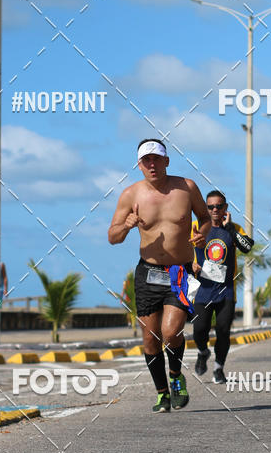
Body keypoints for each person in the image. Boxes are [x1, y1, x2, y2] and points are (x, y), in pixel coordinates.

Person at [108, 139, 210, 413]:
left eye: (156, 159)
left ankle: (176, 376)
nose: (151, 165)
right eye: (146, 160)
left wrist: (203, 234)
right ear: (139, 165)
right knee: (151, 338)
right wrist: (127, 226)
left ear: (166, 161)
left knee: (170, 331)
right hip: (148, 272)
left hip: (180, 272)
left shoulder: (186, 188)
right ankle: (162, 393)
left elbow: (205, 217)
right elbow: (112, 237)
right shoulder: (131, 195)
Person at [191, 190, 254, 384]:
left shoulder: (233, 228)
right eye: (210, 207)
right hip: (202, 290)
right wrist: (189, 265)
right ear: (205, 208)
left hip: (226, 290)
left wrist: (231, 230)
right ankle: (203, 352)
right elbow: (179, 250)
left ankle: (219, 367)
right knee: (199, 329)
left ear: (225, 208)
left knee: (223, 330)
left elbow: (247, 247)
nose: (215, 210)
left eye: (219, 206)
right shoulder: (194, 227)